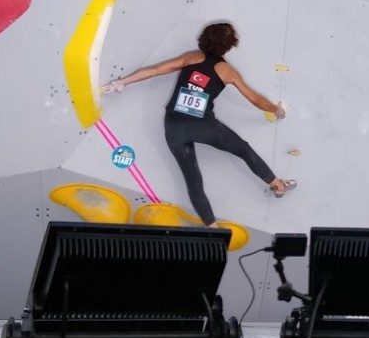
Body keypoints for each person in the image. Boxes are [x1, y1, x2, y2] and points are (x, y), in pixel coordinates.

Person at [103, 22, 292, 227]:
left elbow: (156, 70)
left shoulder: (191, 57)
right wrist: (276, 110)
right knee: (243, 150)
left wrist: (122, 81)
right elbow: (255, 99)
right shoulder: (226, 71)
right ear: (229, 46)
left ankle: (212, 227)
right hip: (203, 127)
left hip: (174, 127)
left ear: (205, 38)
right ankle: (278, 185)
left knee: (193, 179)